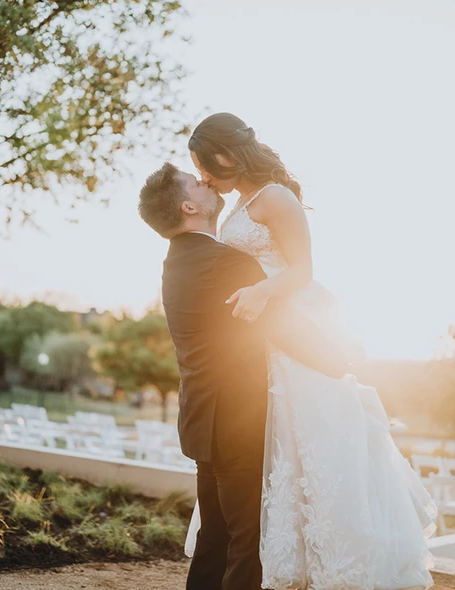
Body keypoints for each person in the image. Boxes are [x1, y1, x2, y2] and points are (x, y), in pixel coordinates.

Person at [184, 112, 437, 590]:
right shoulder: (237, 205)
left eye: (203, 165)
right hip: (254, 348)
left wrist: (261, 293)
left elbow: (301, 270)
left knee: (310, 453)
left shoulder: (276, 197)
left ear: (225, 153)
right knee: (271, 461)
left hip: (291, 339)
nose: (202, 177)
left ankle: (332, 568)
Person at [138, 162, 348, 590]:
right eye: (196, 182)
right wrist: (341, 360)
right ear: (189, 206)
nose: (207, 182)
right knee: (247, 539)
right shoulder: (226, 262)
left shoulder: (175, 262)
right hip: (237, 422)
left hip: (201, 420)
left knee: (214, 535)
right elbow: (283, 327)